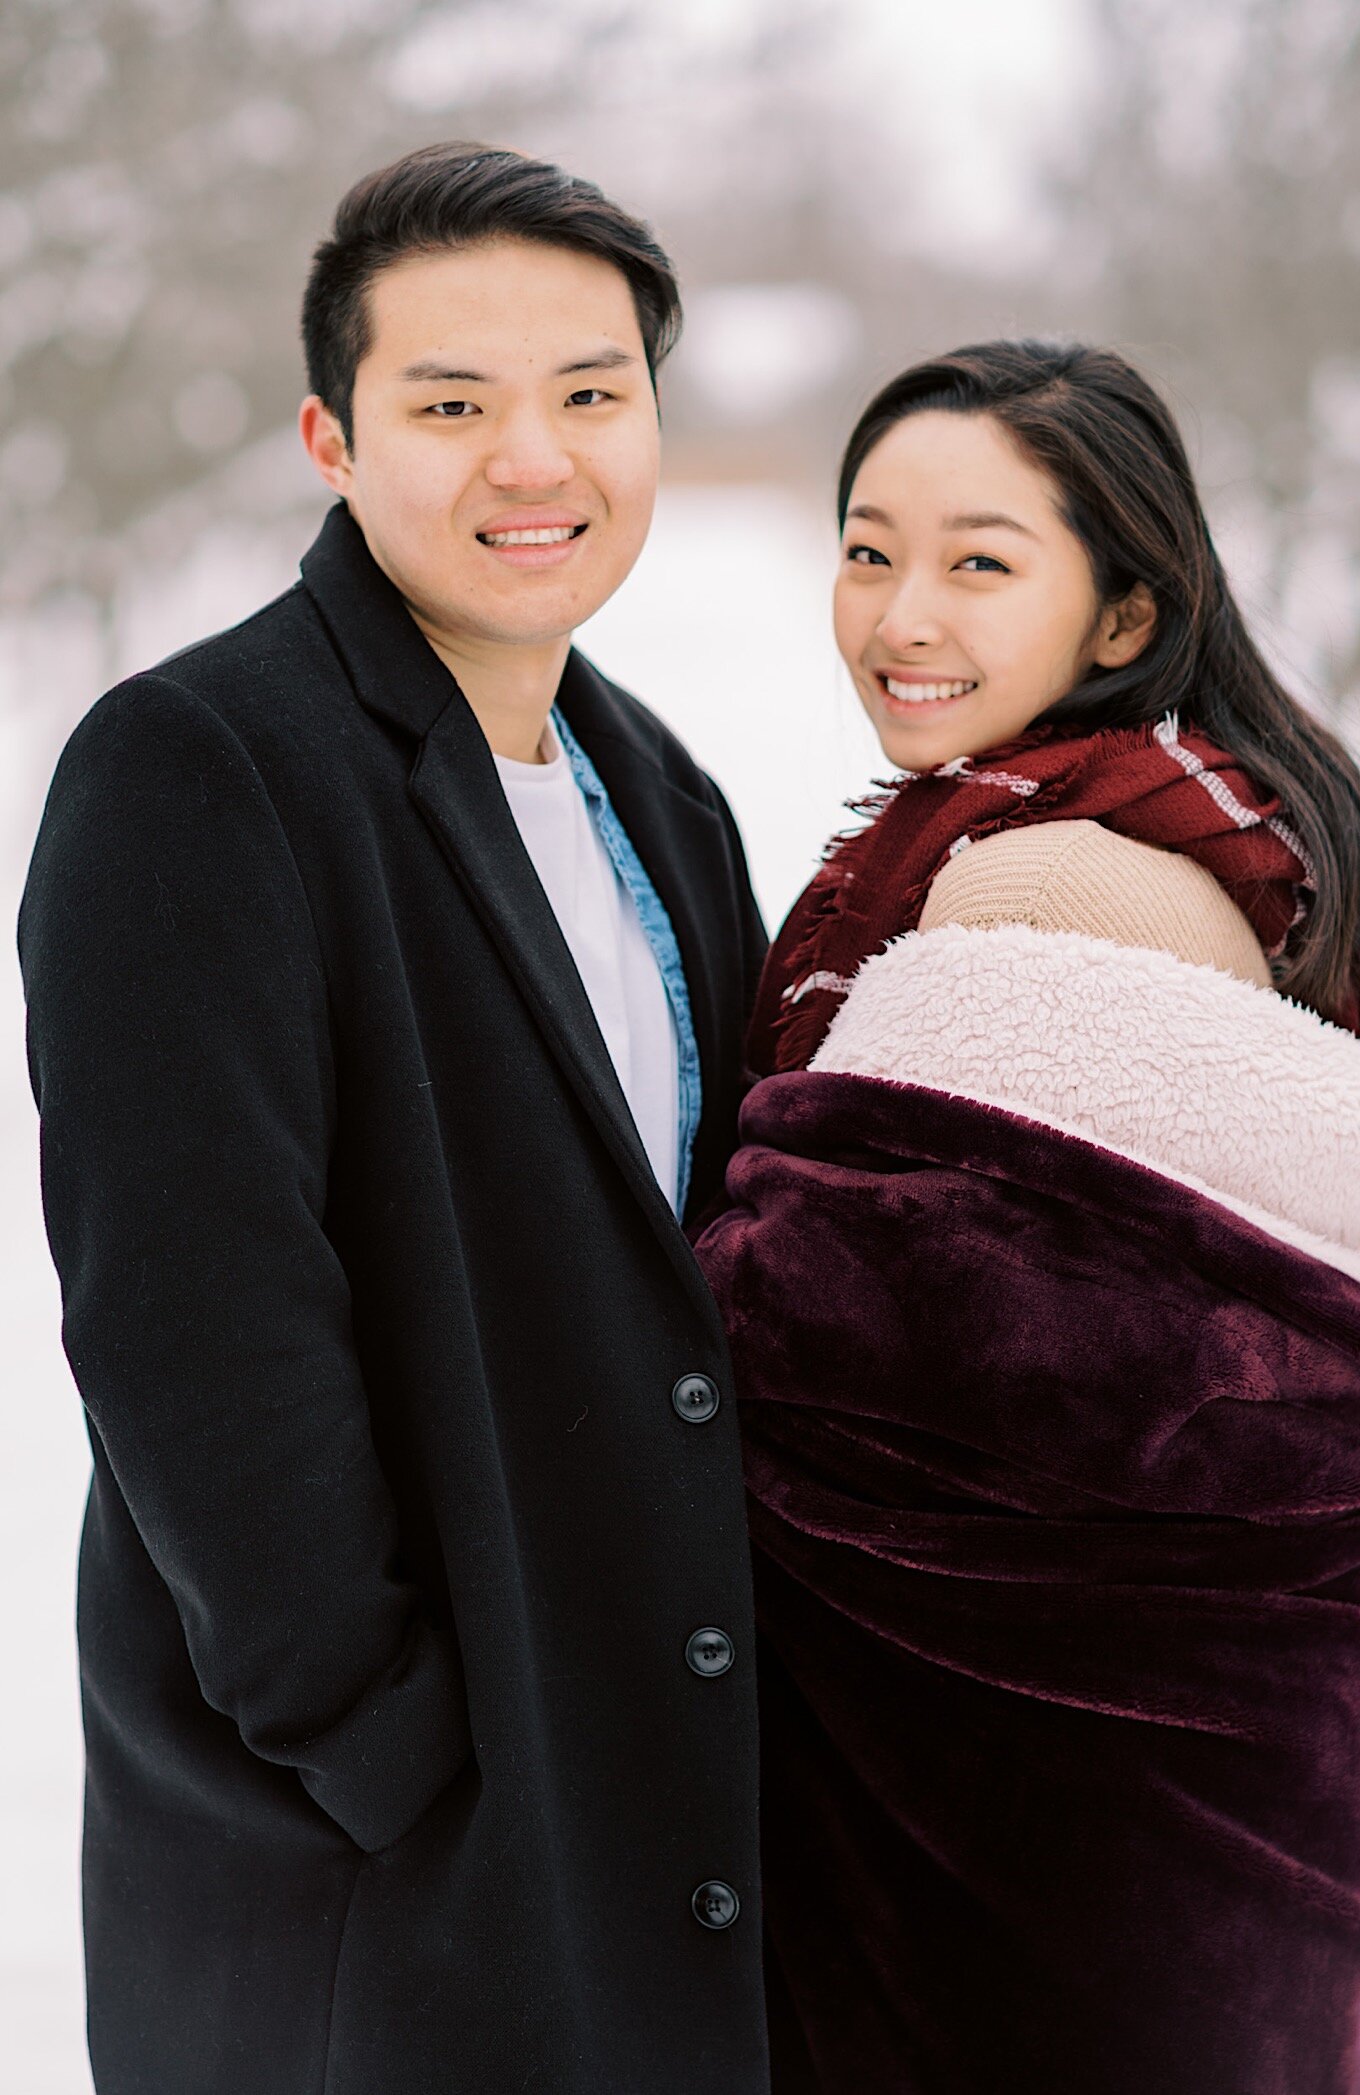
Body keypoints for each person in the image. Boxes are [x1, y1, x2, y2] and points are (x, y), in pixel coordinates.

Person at [19, 143, 772, 2095]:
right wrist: (387, 1747)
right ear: (332, 437)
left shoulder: (663, 796)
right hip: (366, 1889)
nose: (537, 461)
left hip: (618, 1839)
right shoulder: (201, 766)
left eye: (592, 395)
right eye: (452, 404)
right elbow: (195, 1330)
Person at [693, 340, 1360, 2093]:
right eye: (866, 545)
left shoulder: (1043, 876)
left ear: (1125, 618)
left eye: (981, 561)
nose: (902, 614)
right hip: (1207, 1817)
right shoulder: (1174, 826)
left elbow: (853, 1342)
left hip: (1058, 1822)